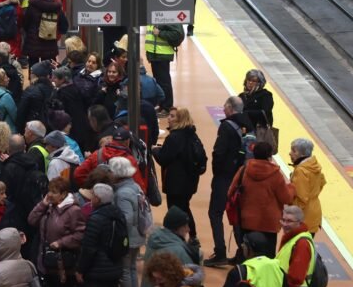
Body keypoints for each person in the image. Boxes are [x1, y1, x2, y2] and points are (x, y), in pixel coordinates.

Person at [74, 183, 125, 287]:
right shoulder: (118, 214)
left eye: (93, 195)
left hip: (97, 270)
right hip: (115, 267)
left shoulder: (95, 218)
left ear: (98, 199)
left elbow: (88, 248)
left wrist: (80, 269)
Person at [29, 177, 84, 287]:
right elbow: (32, 220)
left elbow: (80, 234)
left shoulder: (73, 211)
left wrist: (61, 242)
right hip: (45, 262)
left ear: (64, 194)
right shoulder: (48, 207)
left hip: (63, 266)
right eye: (49, 191)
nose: (50, 194)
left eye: (54, 192)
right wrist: (42, 204)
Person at [205, 96, 252, 267]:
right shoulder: (248, 124)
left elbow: (219, 152)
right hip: (241, 177)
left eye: (225, 106)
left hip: (224, 177)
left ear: (230, 108)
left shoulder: (226, 126)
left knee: (215, 213)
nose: (223, 108)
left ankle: (220, 252)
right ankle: (244, 252)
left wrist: (217, 172)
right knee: (236, 216)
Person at [229, 142, 294, 257]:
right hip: (269, 224)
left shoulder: (244, 170)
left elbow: (230, 192)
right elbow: (286, 198)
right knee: (267, 258)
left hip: (246, 221)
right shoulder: (276, 175)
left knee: (248, 256)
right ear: (269, 156)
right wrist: (291, 187)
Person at [154, 107, 203, 243]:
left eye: (172, 116)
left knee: (175, 211)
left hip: (175, 183)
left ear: (180, 120)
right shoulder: (193, 135)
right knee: (185, 207)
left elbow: (164, 158)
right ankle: (192, 236)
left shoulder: (174, 138)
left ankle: (176, 239)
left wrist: (155, 151)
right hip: (190, 181)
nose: (168, 119)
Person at [108, 156, 147, 287]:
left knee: (124, 271)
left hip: (127, 238)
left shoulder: (122, 193)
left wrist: (116, 237)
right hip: (137, 235)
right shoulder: (135, 186)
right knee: (131, 269)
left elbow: (126, 218)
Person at [73, 106, 146, 192]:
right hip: (126, 191)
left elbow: (78, 174)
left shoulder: (97, 154)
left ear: (94, 120)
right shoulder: (121, 128)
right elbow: (139, 186)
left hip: (102, 194)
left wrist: (93, 187)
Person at [0, 134, 46, 234]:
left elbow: (5, 193)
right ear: (24, 147)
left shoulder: (8, 169)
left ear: (8, 148)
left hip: (15, 217)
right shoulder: (34, 163)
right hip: (33, 213)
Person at [145, 24, 184, 116]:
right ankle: (162, 105)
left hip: (162, 54)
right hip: (155, 53)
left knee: (164, 82)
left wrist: (160, 33)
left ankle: (167, 107)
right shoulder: (154, 16)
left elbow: (178, 34)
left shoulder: (168, 17)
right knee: (159, 82)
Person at [288, 138, 326, 235]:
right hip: (314, 213)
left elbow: (301, 198)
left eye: (294, 151)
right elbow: (321, 183)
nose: (290, 153)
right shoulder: (314, 166)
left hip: (303, 218)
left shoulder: (301, 171)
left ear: (302, 154)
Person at [23, 0, 67, 64]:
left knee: (33, 66)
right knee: (49, 66)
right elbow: (64, 26)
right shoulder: (56, 7)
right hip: (50, 42)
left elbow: (25, 23)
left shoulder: (32, 6)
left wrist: (30, 32)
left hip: (33, 43)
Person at [51, 67, 92, 150]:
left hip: (71, 131)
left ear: (62, 79)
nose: (53, 80)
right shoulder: (77, 88)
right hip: (84, 128)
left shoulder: (60, 95)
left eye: (55, 78)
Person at [17, 61, 55, 126]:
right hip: (49, 125)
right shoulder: (53, 89)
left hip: (33, 125)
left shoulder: (30, 90)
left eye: (32, 73)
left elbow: (21, 112)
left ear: (35, 76)